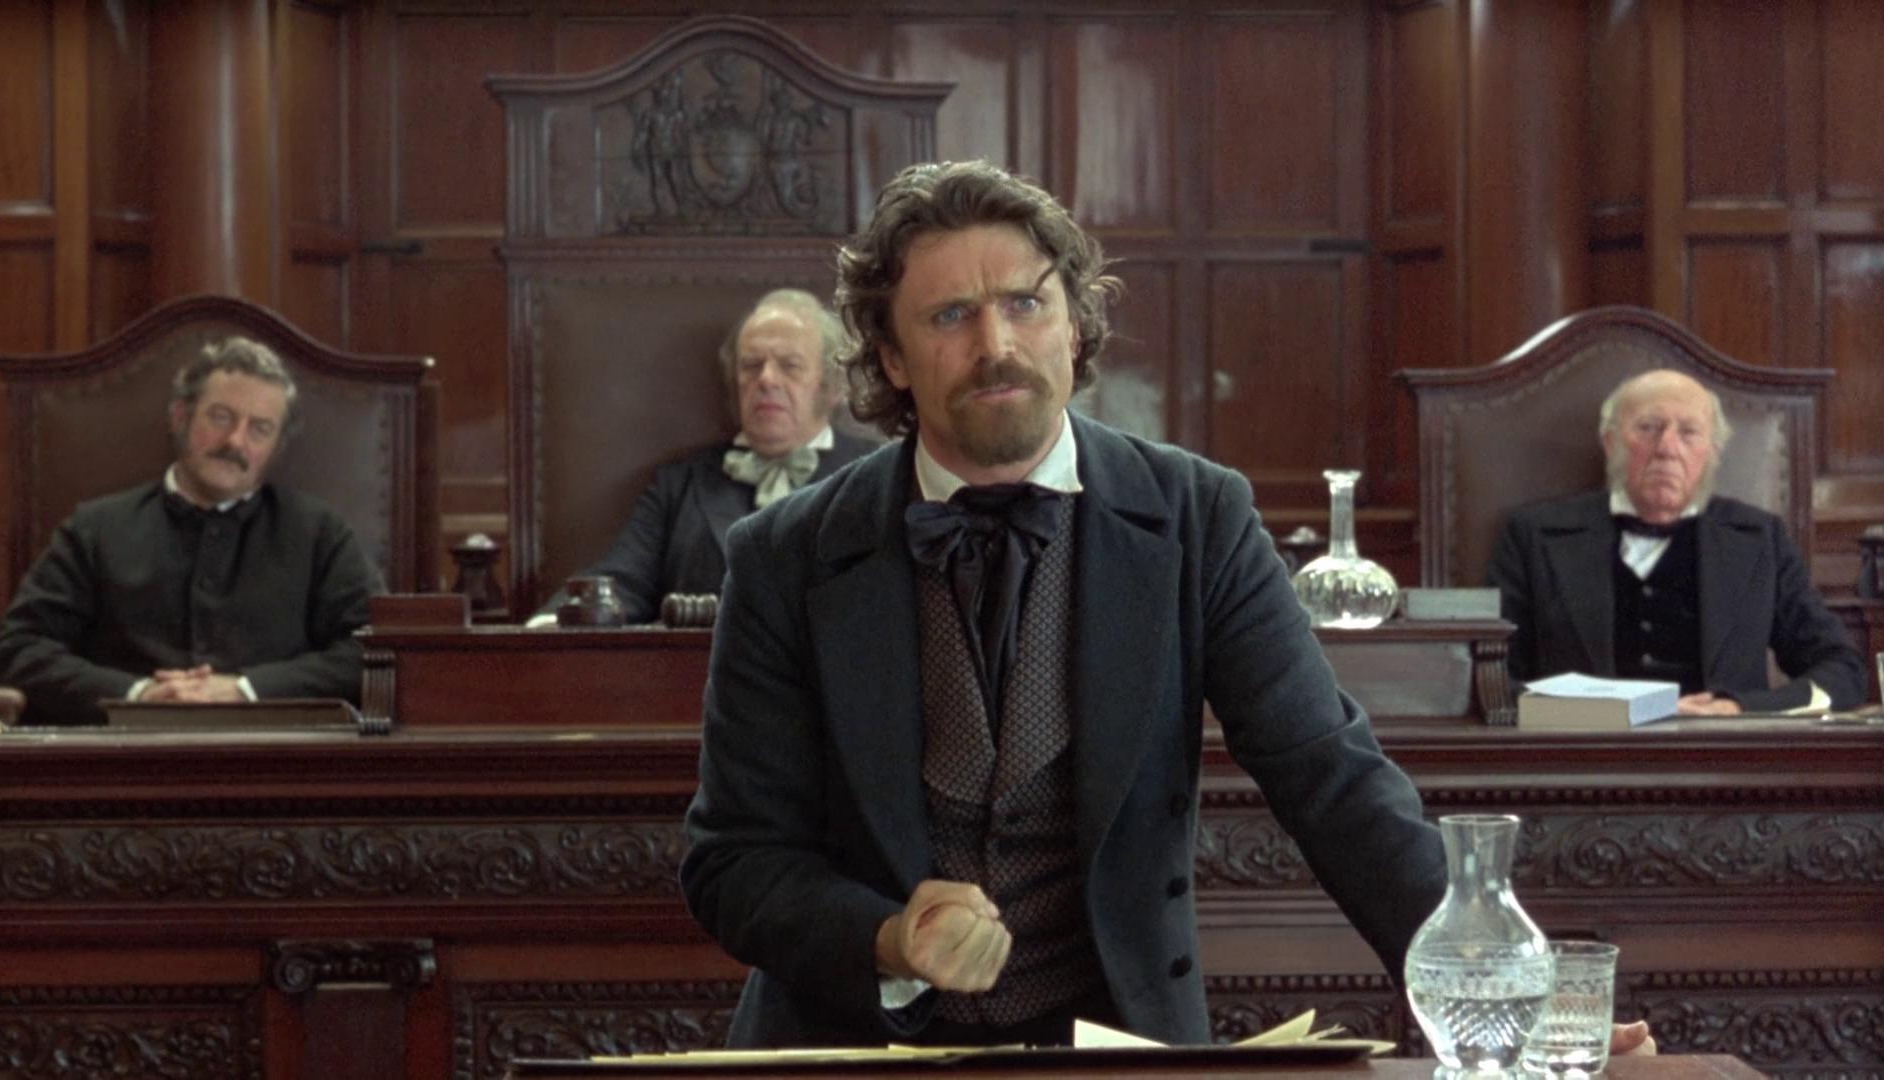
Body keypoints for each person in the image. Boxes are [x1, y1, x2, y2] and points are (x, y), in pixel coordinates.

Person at [683, 161, 1668, 1053]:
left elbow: (1332, 780)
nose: (997, 345)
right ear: (891, 357)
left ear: (1075, 325)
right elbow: (735, 861)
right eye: (950, 317)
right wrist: (891, 938)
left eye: (1026, 304)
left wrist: (1513, 1003)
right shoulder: (784, 555)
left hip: (1119, 1050)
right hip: (847, 1051)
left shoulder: (1199, 515)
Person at [0, 337, 381, 726]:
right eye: (221, 417)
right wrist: (136, 695)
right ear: (180, 416)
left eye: (259, 429)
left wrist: (247, 690)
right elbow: (16, 649)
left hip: (274, 756)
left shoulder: (320, 535)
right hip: (120, 755)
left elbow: (376, 650)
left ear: (276, 446)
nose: (235, 441)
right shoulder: (95, 529)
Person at [1486, 368, 1864, 715]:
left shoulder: (1760, 540)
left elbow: (1842, 670)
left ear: (1712, 452)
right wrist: (1594, 714)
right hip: (1584, 754)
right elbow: (1491, 676)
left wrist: (1741, 708)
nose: (1667, 448)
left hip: (1724, 755)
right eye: (1648, 427)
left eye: (1688, 432)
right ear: (1611, 442)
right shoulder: (1533, 536)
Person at [530, 289, 878, 625]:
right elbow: (621, 583)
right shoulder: (679, 485)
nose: (766, 379)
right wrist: (545, 631)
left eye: (790, 366)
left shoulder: (876, 475)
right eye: (751, 365)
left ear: (832, 386)